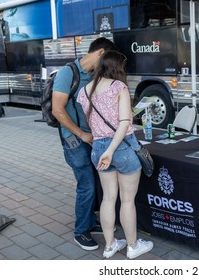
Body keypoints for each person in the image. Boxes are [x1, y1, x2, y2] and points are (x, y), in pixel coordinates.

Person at [77, 50, 154, 259]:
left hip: (98, 148)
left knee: (108, 199)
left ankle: (110, 246)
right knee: (127, 201)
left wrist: (105, 150)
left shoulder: (84, 91)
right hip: (118, 149)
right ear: (116, 67)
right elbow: (123, 123)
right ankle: (132, 246)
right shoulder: (118, 87)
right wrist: (111, 151)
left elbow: (90, 122)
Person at [52, 37, 117, 251]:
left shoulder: (93, 75)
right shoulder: (67, 73)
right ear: (100, 53)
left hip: (93, 138)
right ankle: (81, 231)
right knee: (87, 185)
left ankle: (90, 220)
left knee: (96, 184)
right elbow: (57, 110)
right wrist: (81, 134)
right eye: (106, 59)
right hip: (75, 140)